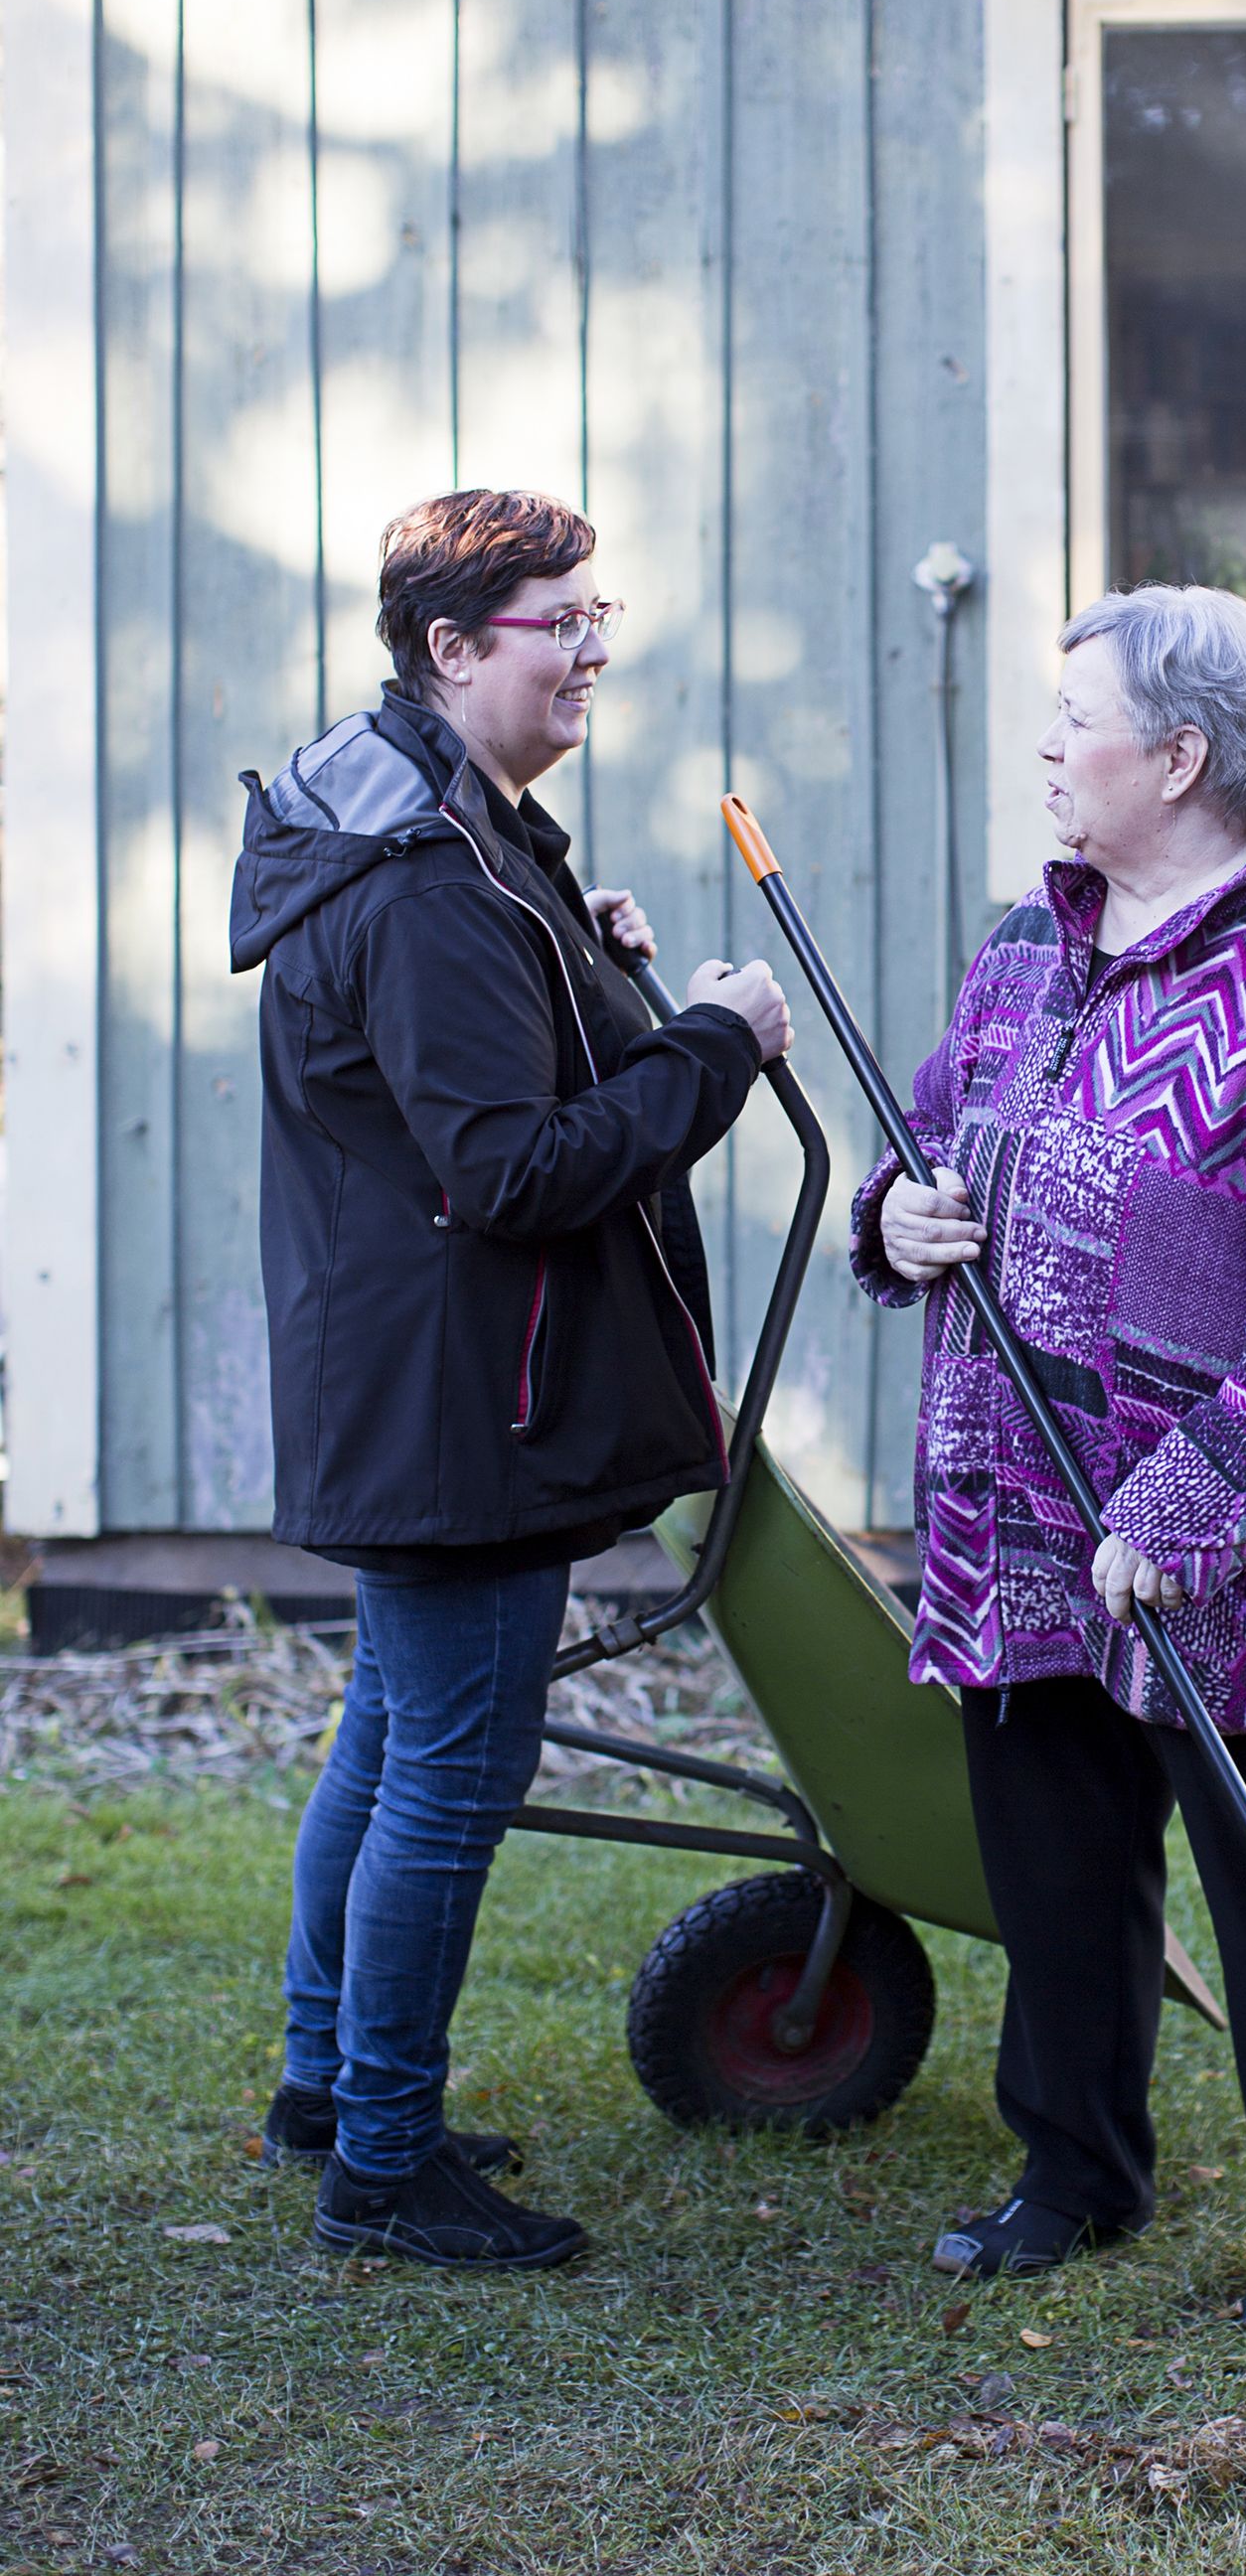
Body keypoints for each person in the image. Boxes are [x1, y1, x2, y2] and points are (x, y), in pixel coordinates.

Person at [851, 583, 1246, 2334]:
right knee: (1055, 1853)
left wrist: (1195, 1498)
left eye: (1076, 722)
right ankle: (1074, 2166)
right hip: (1023, 1504)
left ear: (1183, 754)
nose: (1047, 750)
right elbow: (932, 1130)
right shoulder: (1027, 947)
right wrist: (897, 1214)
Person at [231, 488, 790, 2270]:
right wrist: (713, 1042)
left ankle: (331, 2092)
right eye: (562, 620)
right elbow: (516, 1170)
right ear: (451, 646)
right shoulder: (427, 885)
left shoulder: (432, 824)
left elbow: (463, 1090)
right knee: (448, 1776)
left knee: (388, 1747)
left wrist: (576, 951)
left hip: (411, 1376)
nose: (595, 648)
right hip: (469, 1399)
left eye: (597, 609)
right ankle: (382, 2165)